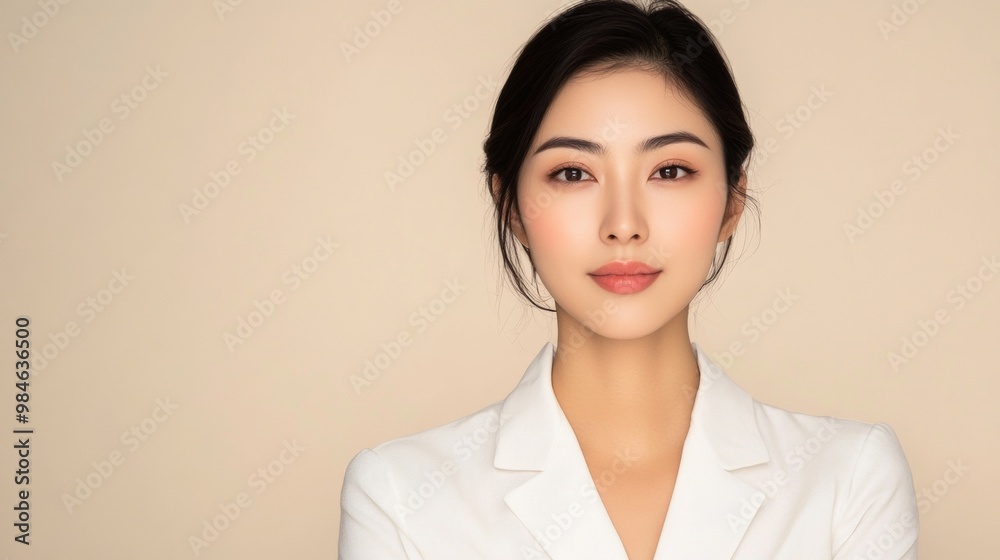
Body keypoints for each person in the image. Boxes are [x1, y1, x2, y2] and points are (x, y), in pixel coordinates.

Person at [338, 0, 919, 558]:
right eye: (573, 173)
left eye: (670, 171)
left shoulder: (848, 479)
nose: (623, 224)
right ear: (511, 206)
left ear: (733, 199)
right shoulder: (399, 497)